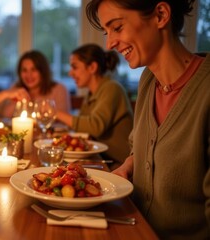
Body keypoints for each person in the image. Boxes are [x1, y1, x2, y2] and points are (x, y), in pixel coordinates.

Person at [86, 0, 210, 239]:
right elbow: (139, 145)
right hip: (132, 224)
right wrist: (128, 165)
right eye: (106, 32)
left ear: (161, 15)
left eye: (117, 27)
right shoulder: (148, 80)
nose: (110, 43)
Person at [56, 44, 133, 169]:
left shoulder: (112, 88)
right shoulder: (92, 92)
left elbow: (96, 126)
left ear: (92, 67)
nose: (70, 73)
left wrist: (56, 113)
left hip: (119, 164)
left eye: (74, 67)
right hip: (101, 158)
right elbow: (82, 131)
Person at [1, 50, 70, 117]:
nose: (29, 75)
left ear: (43, 71)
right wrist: (17, 100)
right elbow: (6, 114)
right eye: (24, 70)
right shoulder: (17, 88)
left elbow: (63, 120)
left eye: (33, 69)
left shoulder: (59, 89)